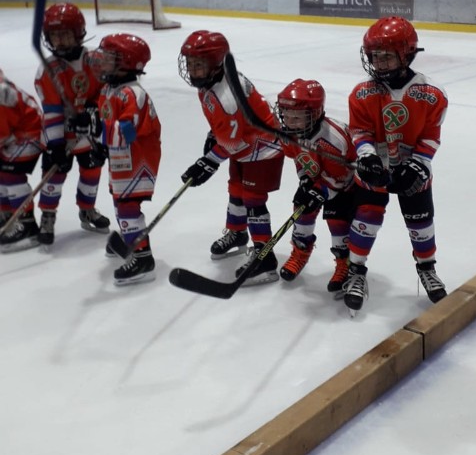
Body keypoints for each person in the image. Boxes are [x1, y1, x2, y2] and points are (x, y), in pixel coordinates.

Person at [346, 16, 448, 314]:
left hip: (413, 172)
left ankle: (427, 269)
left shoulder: (432, 94)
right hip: (373, 171)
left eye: (387, 56)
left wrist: (418, 164)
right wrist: (366, 157)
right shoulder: (361, 93)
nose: (378, 63)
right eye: (374, 56)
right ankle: (355, 271)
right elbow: (360, 132)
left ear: (407, 54)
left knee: (421, 223)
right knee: (366, 219)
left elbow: (430, 137)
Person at [178, 30, 284, 285]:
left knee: (253, 200)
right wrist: (214, 135)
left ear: (216, 63)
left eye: (198, 65)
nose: (192, 70)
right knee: (236, 190)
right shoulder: (210, 82)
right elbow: (229, 130)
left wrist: (208, 162)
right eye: (190, 64)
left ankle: (264, 257)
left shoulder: (226, 96)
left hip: (263, 149)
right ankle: (237, 233)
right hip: (245, 145)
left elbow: (233, 141)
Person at [34, 2, 110, 246]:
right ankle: (47, 216)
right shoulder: (48, 70)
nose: (59, 41)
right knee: (53, 177)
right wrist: (56, 145)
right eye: (54, 36)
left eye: (65, 34)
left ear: (78, 33)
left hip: (88, 135)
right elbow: (52, 112)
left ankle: (87, 209)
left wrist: (93, 111)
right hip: (59, 137)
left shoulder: (96, 61)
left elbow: (106, 94)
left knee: (92, 171)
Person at [92, 33, 162, 286]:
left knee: (127, 205)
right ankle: (129, 237)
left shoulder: (133, 94)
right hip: (121, 156)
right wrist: (99, 143)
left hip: (138, 159)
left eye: (110, 58)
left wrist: (97, 132)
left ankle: (143, 259)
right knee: (119, 199)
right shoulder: (110, 88)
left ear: (128, 62)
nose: (102, 61)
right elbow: (106, 122)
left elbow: (127, 132)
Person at [275, 78, 356, 293]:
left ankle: (344, 264)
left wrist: (320, 191)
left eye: (296, 117)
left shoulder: (333, 139)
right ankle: (300, 254)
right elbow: (299, 159)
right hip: (318, 178)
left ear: (315, 113)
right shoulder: (288, 133)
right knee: (301, 209)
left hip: (346, 186)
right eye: (286, 115)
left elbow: (343, 177)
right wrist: (305, 180)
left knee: (337, 220)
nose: (289, 122)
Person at [0, 69, 43, 251]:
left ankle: (27, 224)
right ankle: (8, 214)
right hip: (15, 134)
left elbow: (2, 132)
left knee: (10, 173)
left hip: (30, 134)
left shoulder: (1, 93)